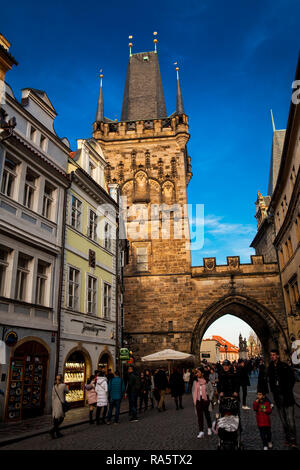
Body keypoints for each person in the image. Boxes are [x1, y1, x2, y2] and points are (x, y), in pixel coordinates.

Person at [267, 349, 297, 448]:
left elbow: (292, 379)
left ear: (278, 356)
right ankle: (288, 438)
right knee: (284, 421)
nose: (272, 357)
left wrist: (287, 389)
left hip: (287, 397)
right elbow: (270, 381)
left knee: (290, 420)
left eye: (274, 355)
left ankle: (293, 440)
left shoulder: (284, 366)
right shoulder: (270, 367)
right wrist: (274, 392)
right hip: (278, 398)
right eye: (271, 355)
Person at [192, 367, 214, 438]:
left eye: (198, 372)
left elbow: (212, 390)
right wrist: (194, 400)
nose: (197, 374)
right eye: (196, 372)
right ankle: (201, 431)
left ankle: (209, 428)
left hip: (205, 400)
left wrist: (209, 398)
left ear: (202, 373)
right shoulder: (195, 382)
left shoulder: (207, 381)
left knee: (207, 415)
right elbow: (193, 391)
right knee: (199, 417)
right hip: (198, 400)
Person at [50, 374, 69, 439]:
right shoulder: (63, 385)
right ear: (62, 379)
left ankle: (57, 432)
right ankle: (53, 430)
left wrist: (52, 404)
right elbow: (67, 391)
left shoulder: (54, 386)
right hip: (61, 403)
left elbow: (52, 396)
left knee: (55, 418)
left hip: (55, 403)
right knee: (62, 417)